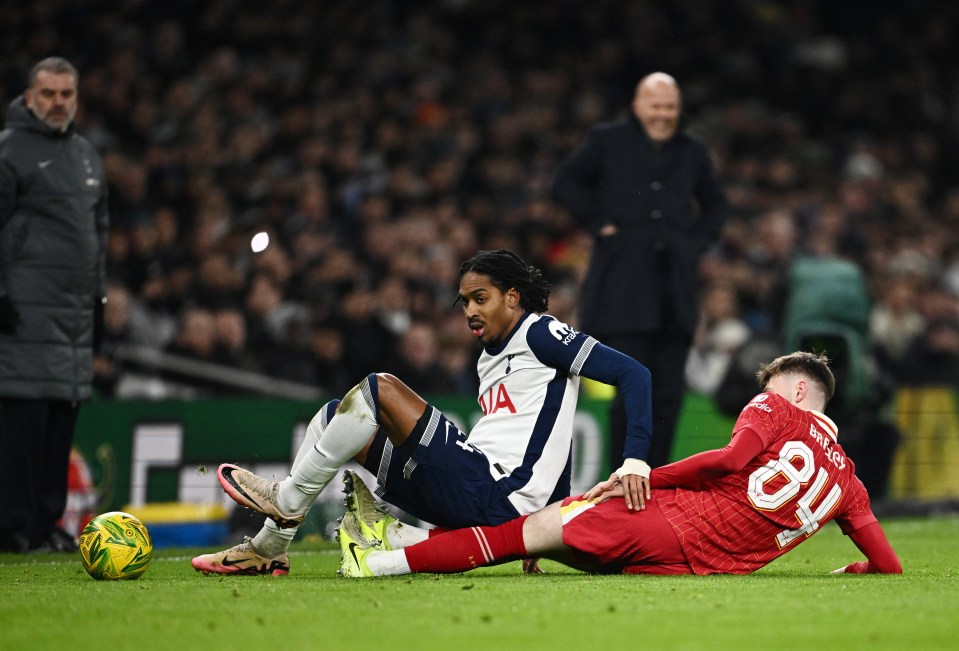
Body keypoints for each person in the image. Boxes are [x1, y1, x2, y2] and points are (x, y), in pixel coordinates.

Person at [192, 249, 653, 575]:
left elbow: (635, 375)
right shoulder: (489, 356)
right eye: (465, 301)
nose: (470, 311)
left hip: (492, 493)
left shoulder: (540, 331)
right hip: (475, 496)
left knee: (380, 389)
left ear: (513, 297)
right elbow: (548, 436)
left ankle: (288, 502)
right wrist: (545, 523)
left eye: (480, 298)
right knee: (335, 414)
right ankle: (270, 548)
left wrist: (634, 458)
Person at [336, 351, 902, 578]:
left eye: (773, 384)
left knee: (516, 535)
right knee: (548, 530)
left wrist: (645, 473)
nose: (764, 391)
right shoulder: (849, 483)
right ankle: (399, 536)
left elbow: (729, 459)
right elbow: (888, 566)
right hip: (690, 569)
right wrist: (856, 571)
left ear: (799, 389)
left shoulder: (776, 408)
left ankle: (376, 564)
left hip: (664, 519)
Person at [551, 72, 728, 471]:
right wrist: (599, 223)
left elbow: (718, 205)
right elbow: (565, 183)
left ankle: (656, 486)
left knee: (668, 397)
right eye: (656, 106)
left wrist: (693, 243)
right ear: (638, 106)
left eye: (669, 107)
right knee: (631, 393)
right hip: (623, 294)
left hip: (675, 294)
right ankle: (622, 485)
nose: (663, 115)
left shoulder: (693, 151)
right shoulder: (607, 141)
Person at [0, 57, 109, 553]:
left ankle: (45, 522)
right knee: (23, 421)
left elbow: (98, 235)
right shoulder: (10, 151)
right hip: (21, 312)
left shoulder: (86, 155)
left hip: (72, 317)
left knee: (58, 420)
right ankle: (15, 524)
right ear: (28, 97)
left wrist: (99, 301)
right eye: (48, 94)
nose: (58, 102)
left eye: (67, 93)